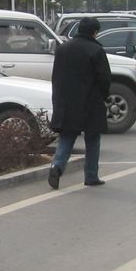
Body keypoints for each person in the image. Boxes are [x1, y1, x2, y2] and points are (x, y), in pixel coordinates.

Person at [48, 15, 112, 189]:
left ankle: (57, 167)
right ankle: (91, 176)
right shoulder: (95, 50)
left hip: (66, 102)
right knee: (92, 139)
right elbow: (104, 78)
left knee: (67, 137)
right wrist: (104, 96)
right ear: (95, 32)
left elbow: (56, 77)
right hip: (90, 102)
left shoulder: (63, 49)